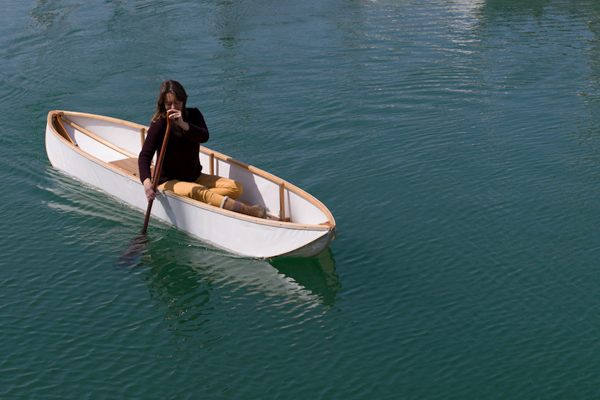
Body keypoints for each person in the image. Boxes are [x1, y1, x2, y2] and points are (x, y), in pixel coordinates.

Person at [138, 80, 266, 218]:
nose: (173, 107)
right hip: (168, 181)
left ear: (184, 101)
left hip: (194, 177)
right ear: (163, 105)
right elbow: (145, 156)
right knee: (197, 190)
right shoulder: (159, 124)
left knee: (236, 188)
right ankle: (247, 211)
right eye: (169, 104)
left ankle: (209, 200)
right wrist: (147, 183)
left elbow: (204, 136)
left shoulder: (194, 115)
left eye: (177, 103)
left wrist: (183, 124)